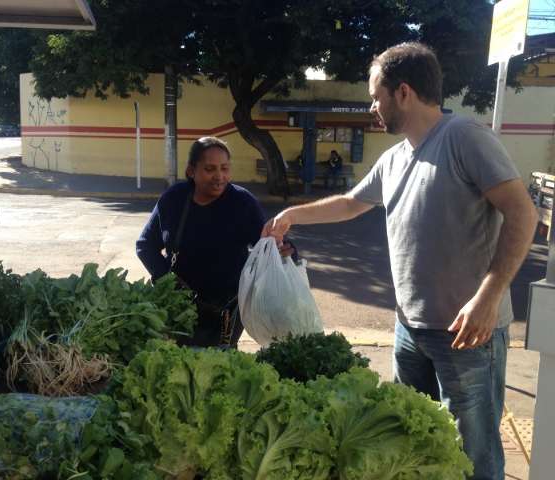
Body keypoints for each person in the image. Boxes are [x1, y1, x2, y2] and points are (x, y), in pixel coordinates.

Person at [262, 42, 538, 480]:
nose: (372, 106)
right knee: (413, 449)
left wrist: (489, 296)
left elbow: (523, 212)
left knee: (476, 458)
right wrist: (292, 216)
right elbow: (352, 204)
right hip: (410, 331)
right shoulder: (394, 158)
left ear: (403, 92)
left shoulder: (465, 137)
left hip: (467, 336)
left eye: (376, 96)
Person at [137, 136, 293, 349]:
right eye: (210, 169)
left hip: (227, 310)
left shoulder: (242, 203)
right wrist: (167, 280)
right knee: (178, 361)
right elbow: (145, 245)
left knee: (219, 365)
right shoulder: (174, 199)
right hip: (178, 306)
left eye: (225, 168)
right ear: (191, 171)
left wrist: (284, 248)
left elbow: (267, 242)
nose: (219, 176)